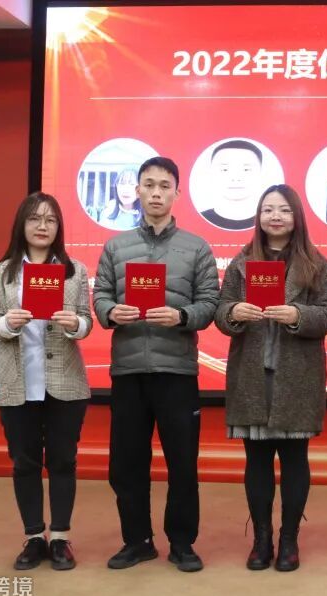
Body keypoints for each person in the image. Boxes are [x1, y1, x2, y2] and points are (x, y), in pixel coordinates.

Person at [93, 156, 220, 573]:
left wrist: (182, 316)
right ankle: (137, 541)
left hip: (177, 372)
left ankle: (182, 543)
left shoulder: (197, 247)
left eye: (164, 186)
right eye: (148, 185)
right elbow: (100, 296)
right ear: (137, 191)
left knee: (182, 463)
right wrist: (111, 312)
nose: (155, 193)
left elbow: (210, 303)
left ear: (177, 193)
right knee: (127, 464)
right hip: (128, 371)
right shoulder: (116, 246)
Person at [215, 184, 327, 573]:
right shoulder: (241, 261)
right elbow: (220, 311)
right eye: (268, 209)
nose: (275, 216)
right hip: (252, 375)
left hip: (296, 376)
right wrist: (235, 312)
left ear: (296, 216)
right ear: (259, 217)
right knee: (257, 460)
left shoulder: (316, 263)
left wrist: (298, 315)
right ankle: (262, 539)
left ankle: (289, 540)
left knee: (295, 459)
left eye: (283, 209)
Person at [0, 192, 93, 571]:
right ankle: (34, 537)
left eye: (50, 219)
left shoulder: (74, 271)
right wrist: (7, 323)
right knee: (24, 462)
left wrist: (75, 323)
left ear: (59, 227)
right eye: (35, 219)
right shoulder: (4, 272)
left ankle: (60, 538)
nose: (42, 226)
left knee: (63, 460)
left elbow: (87, 321)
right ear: (22, 225)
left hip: (65, 381)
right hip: (18, 381)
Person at [200, 140, 263, 231]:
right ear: (211, 173)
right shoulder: (198, 221)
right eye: (225, 169)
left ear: (261, 173)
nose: (236, 178)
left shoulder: (271, 221)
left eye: (246, 170)